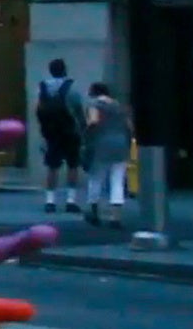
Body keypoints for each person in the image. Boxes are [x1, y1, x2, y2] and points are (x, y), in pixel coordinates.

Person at [34, 59, 84, 214]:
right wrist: (83, 128)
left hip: (51, 132)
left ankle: (50, 201)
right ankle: (71, 200)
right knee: (73, 165)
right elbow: (78, 109)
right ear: (64, 70)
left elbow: (38, 109)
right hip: (70, 131)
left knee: (52, 166)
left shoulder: (42, 87)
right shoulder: (71, 87)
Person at [82, 82, 132, 226]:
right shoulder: (119, 106)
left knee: (96, 177)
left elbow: (93, 121)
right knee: (117, 180)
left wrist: (85, 135)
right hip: (120, 143)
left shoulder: (95, 104)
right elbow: (129, 126)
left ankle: (93, 210)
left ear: (93, 92)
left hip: (101, 144)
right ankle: (115, 217)